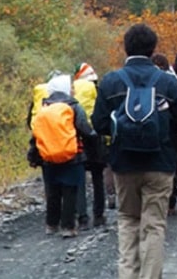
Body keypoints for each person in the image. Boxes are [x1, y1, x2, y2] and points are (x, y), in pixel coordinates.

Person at [92, 24, 177, 279]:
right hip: (160, 162)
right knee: (154, 225)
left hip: (124, 163)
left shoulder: (111, 81)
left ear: (126, 48)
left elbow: (99, 124)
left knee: (128, 220)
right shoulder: (167, 82)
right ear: (153, 49)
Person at [28, 74, 97, 238]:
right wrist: (95, 141)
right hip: (72, 157)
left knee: (53, 192)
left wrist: (34, 155)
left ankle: (51, 224)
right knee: (70, 191)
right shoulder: (74, 107)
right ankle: (68, 227)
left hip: (48, 157)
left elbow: (36, 135)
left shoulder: (44, 108)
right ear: (66, 89)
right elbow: (85, 129)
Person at [73, 62, 107, 229]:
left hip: (76, 139)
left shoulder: (71, 92)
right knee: (97, 178)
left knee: (79, 178)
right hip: (95, 138)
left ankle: (82, 217)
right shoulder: (98, 91)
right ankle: (99, 215)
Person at [151, 53, 177, 216]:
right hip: (170, 131)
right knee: (171, 168)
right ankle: (170, 201)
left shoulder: (142, 81)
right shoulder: (171, 80)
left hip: (147, 132)